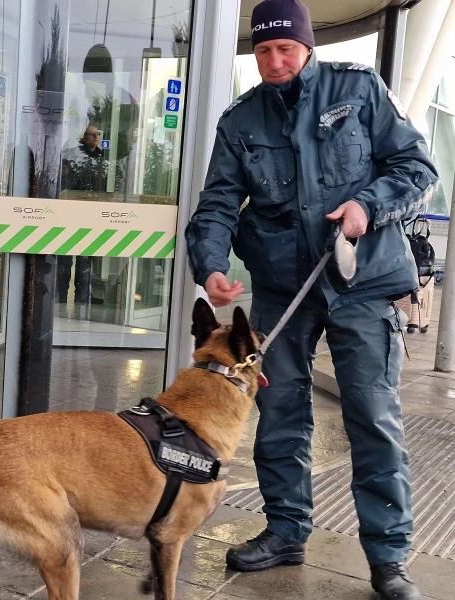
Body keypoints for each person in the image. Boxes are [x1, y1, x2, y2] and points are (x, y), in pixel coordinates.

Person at [186, 1, 438, 599]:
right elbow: (218, 203)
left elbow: (416, 164)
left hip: (364, 281)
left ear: (307, 48)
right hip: (282, 289)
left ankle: (388, 557)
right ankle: (285, 529)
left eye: (286, 49)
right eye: (264, 50)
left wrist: (366, 206)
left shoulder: (359, 91)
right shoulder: (239, 122)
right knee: (278, 414)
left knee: (372, 417)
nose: (275, 61)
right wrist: (212, 267)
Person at [58, 125, 108, 304]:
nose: (95, 137)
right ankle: (60, 296)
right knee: (65, 258)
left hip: (92, 212)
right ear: (83, 137)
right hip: (71, 211)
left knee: (86, 257)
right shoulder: (72, 155)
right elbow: (65, 182)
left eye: (97, 134)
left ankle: (83, 297)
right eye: (91, 134)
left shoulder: (102, 158)